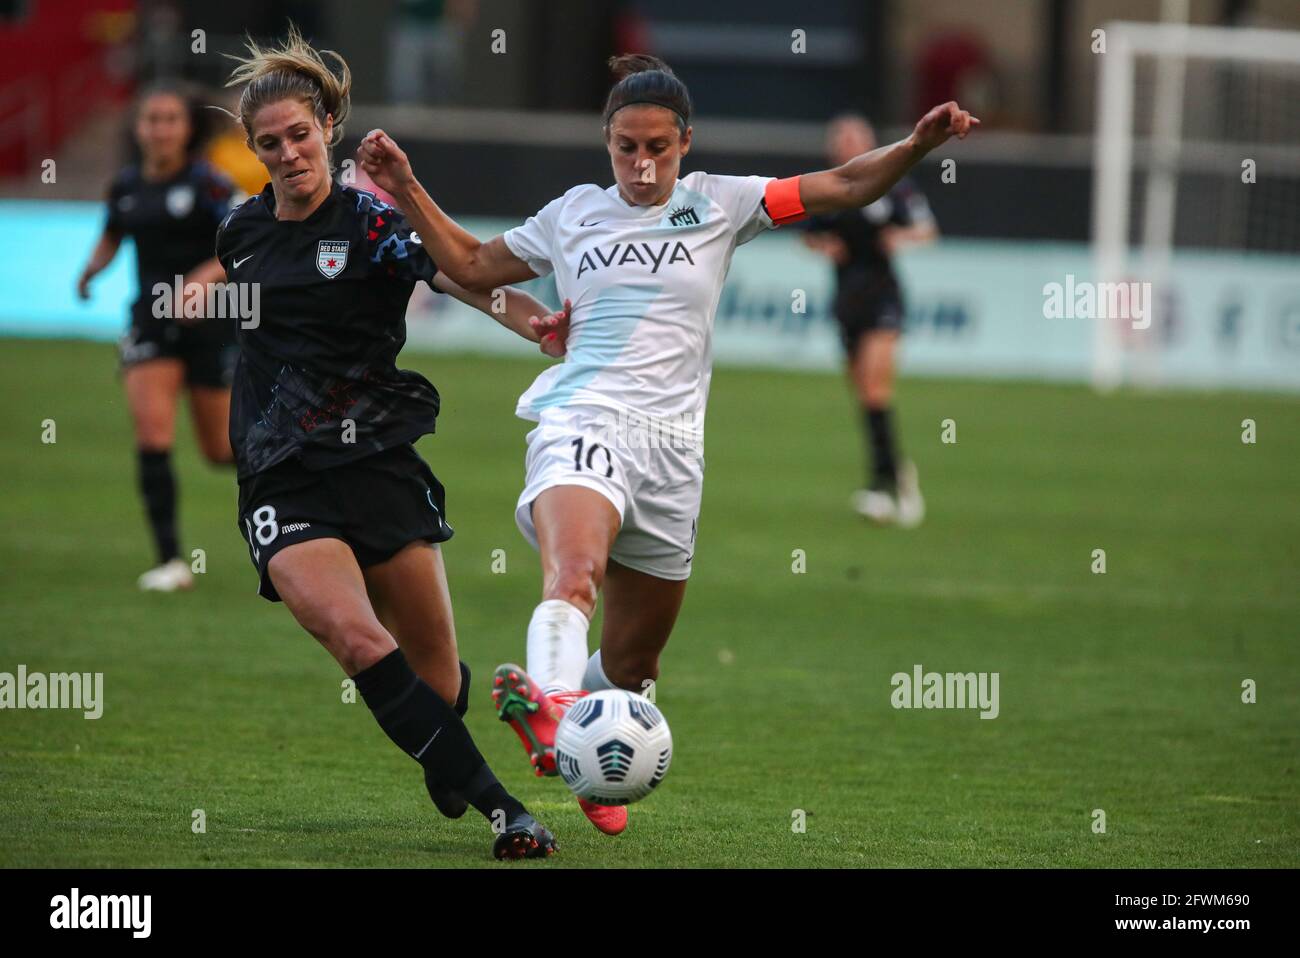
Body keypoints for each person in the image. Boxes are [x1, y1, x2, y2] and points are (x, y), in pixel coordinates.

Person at [357, 54, 977, 837]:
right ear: (606, 142)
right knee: (573, 576)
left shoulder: (722, 203)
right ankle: (550, 707)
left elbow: (845, 185)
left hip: (675, 452)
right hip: (584, 416)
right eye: (625, 147)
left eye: (657, 147)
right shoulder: (574, 213)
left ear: (685, 141)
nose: (641, 166)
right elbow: (474, 264)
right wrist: (407, 188)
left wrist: (915, 145)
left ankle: (585, 744)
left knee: (634, 666)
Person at [220, 25, 569, 859]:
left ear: (327, 128)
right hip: (281, 478)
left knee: (439, 681)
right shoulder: (240, 236)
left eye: (299, 135)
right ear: (255, 151)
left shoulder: (372, 223)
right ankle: (506, 811)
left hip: (377, 460)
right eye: (269, 144)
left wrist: (538, 326)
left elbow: (462, 277)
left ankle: (445, 752)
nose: (288, 153)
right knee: (358, 641)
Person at [77, 84, 236, 592]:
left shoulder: (210, 184)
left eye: (170, 119)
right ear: (139, 127)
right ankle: (170, 562)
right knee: (153, 435)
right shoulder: (125, 186)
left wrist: (201, 280)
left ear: (187, 129)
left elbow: (240, 245)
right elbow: (112, 234)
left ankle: (304, 501)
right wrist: (89, 272)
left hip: (211, 324)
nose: (160, 128)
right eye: (152, 119)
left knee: (220, 450)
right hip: (149, 321)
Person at [803, 113, 938, 526]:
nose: (847, 144)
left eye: (854, 137)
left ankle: (880, 486)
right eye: (841, 138)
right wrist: (822, 245)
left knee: (877, 387)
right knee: (865, 396)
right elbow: (808, 232)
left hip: (884, 296)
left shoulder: (891, 184)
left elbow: (927, 229)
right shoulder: (827, 188)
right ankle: (897, 472)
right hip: (847, 298)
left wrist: (901, 237)